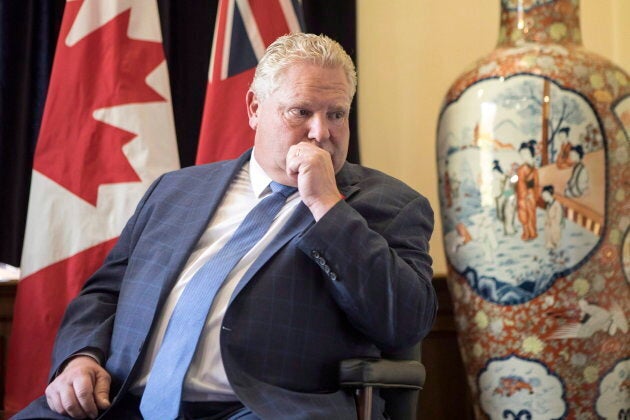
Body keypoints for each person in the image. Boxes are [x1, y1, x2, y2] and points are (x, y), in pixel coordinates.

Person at [14, 33, 436, 420]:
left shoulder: (388, 205)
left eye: (336, 114)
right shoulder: (175, 191)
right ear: (254, 108)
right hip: (121, 403)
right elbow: (105, 293)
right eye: (300, 111)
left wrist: (327, 204)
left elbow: (404, 321)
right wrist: (81, 357)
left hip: (264, 409)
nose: (320, 132)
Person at [515, 140, 540, 241]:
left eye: (526, 153)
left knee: (528, 214)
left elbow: (535, 183)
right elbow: (520, 182)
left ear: (530, 153)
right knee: (527, 215)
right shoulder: (524, 168)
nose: (524, 156)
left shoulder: (528, 168)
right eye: (522, 154)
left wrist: (525, 195)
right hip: (528, 194)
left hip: (527, 194)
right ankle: (529, 233)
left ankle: (530, 233)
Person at [541, 185, 563, 249]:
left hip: (554, 224)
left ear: (549, 194)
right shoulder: (548, 205)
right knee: (547, 233)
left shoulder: (557, 204)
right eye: (543, 196)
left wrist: (553, 222)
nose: (543, 197)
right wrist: (546, 221)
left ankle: (554, 243)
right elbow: (546, 214)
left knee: (554, 234)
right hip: (548, 224)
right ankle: (549, 243)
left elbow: (559, 216)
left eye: (545, 195)